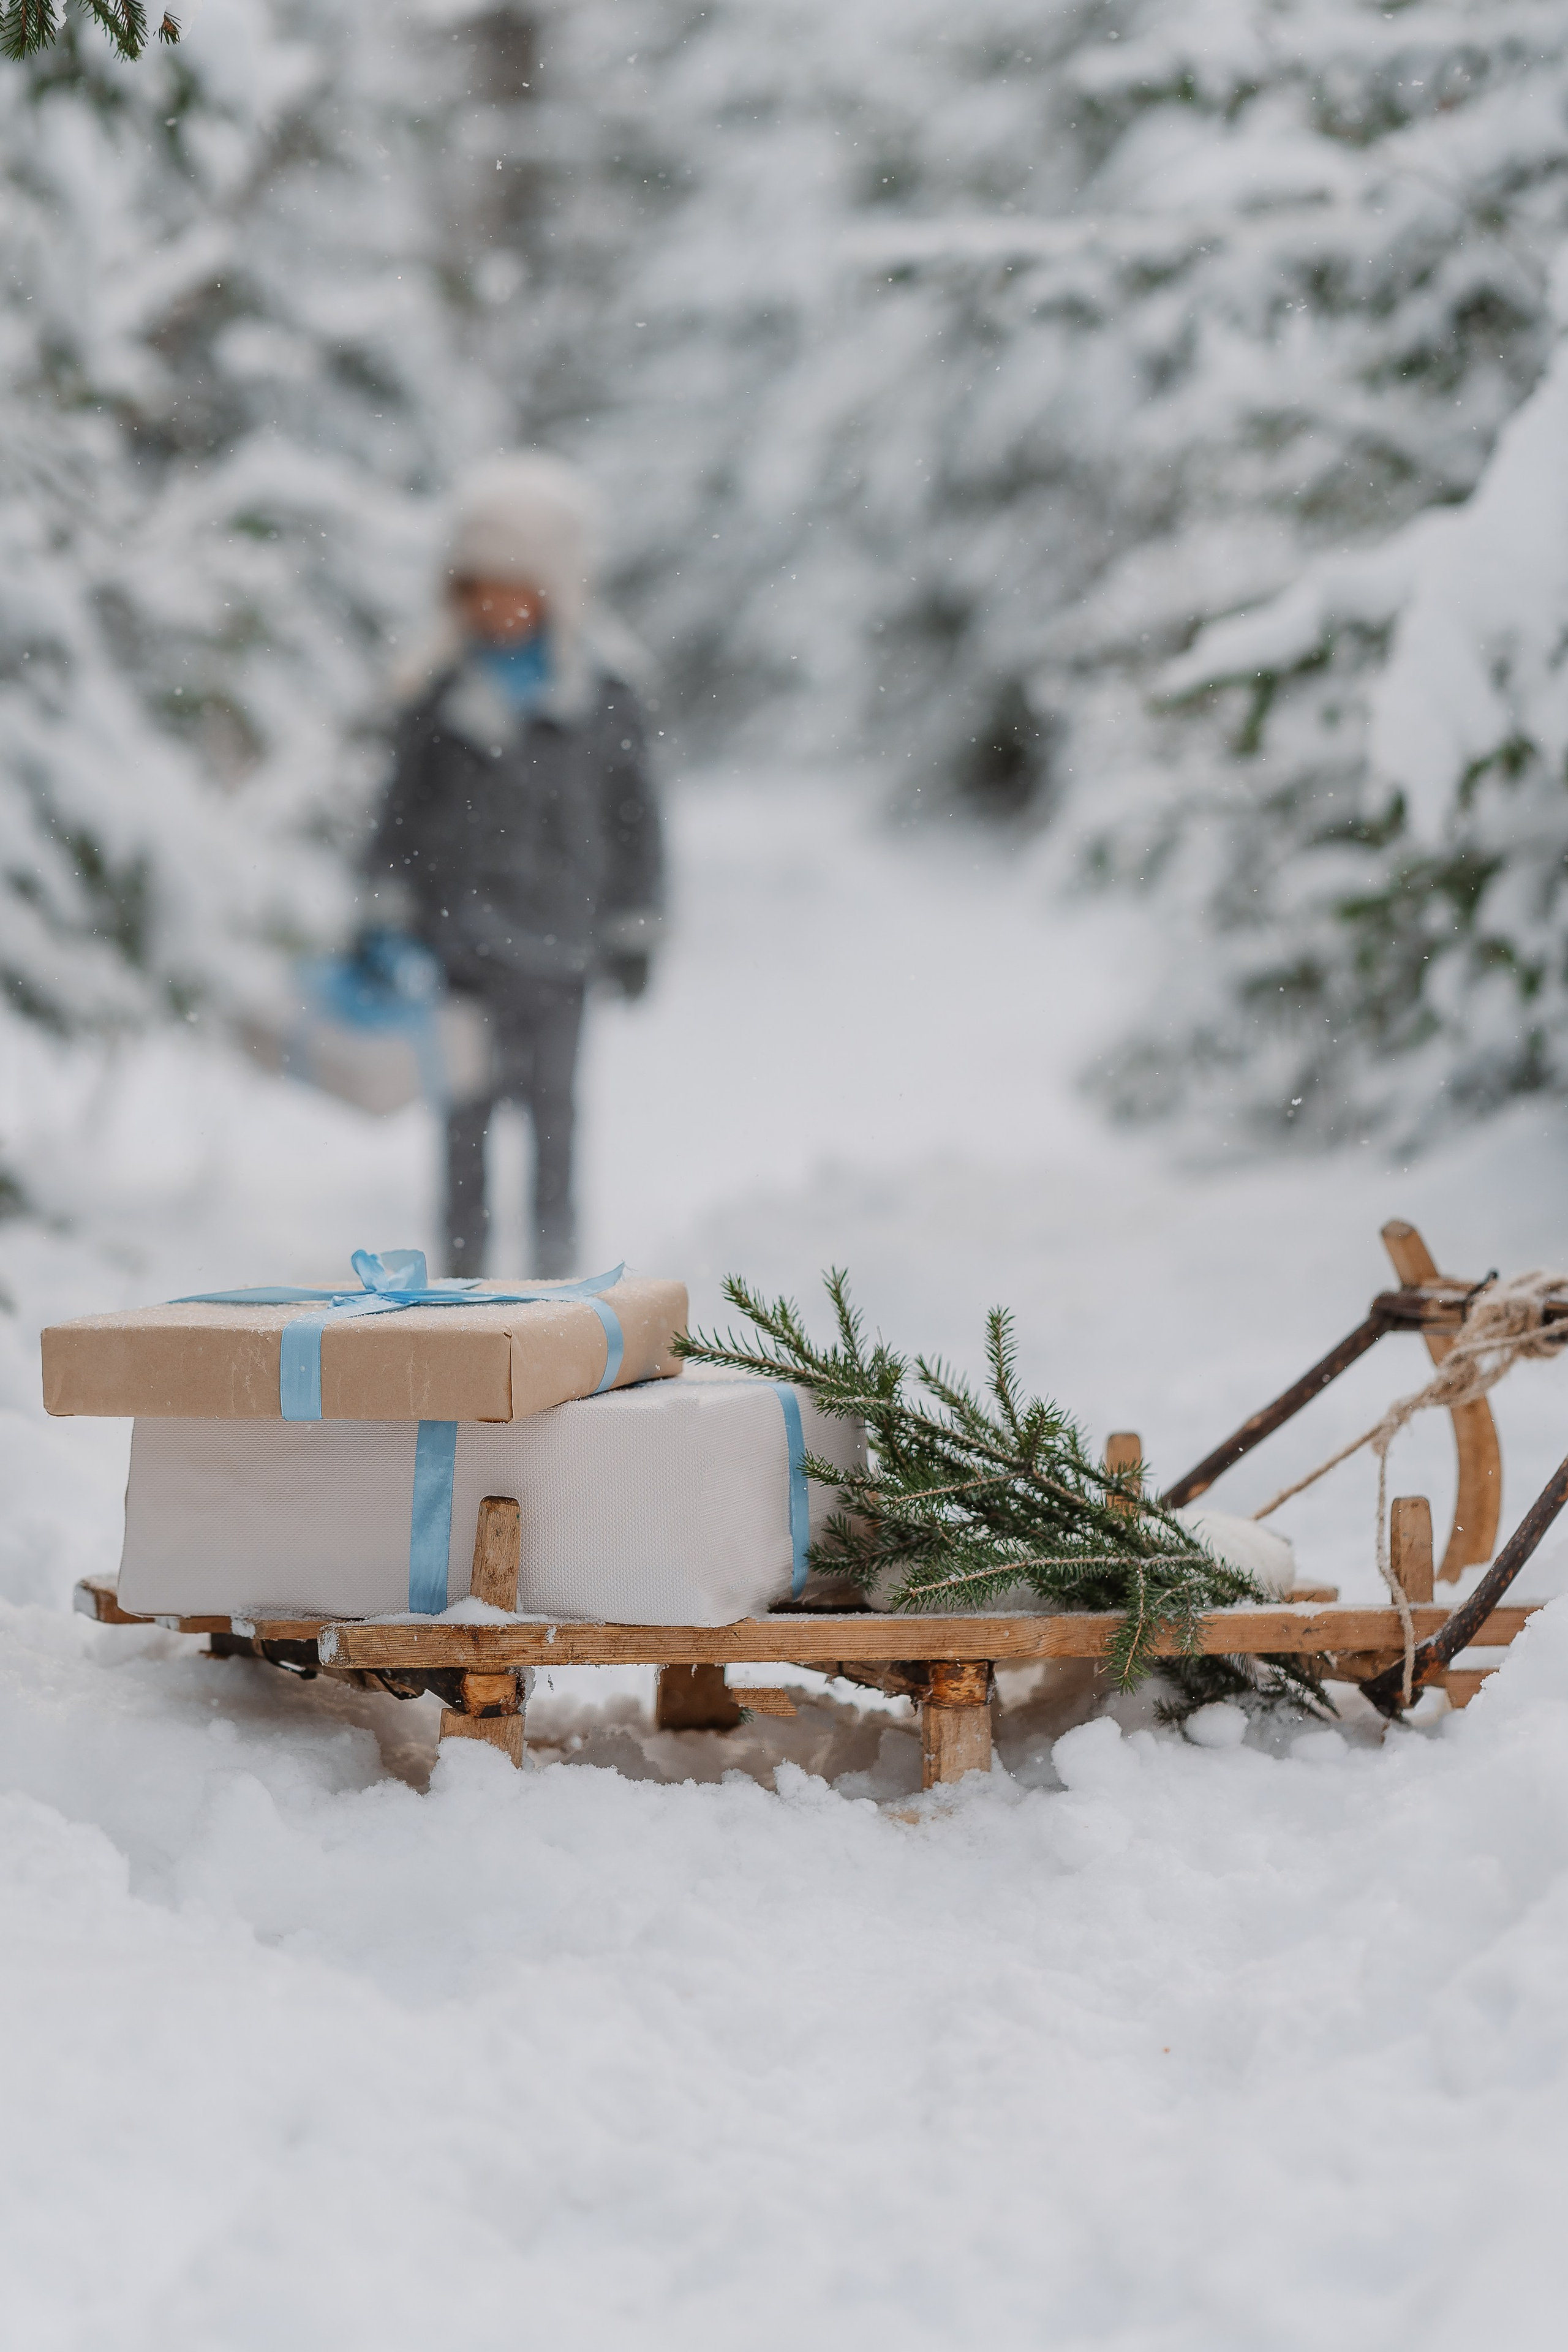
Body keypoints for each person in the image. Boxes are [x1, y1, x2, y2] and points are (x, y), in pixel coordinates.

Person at [363, 454, 663, 1277]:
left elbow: (636, 822)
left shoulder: (603, 702)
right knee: (464, 1122)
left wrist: (636, 922)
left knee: (555, 1117)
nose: (497, 606)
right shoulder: (438, 700)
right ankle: (464, 1276)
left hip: (564, 950)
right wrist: (387, 913)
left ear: (555, 590)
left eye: (515, 585)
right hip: (459, 952)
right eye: (479, 587)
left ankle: (556, 1279)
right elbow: (398, 815)